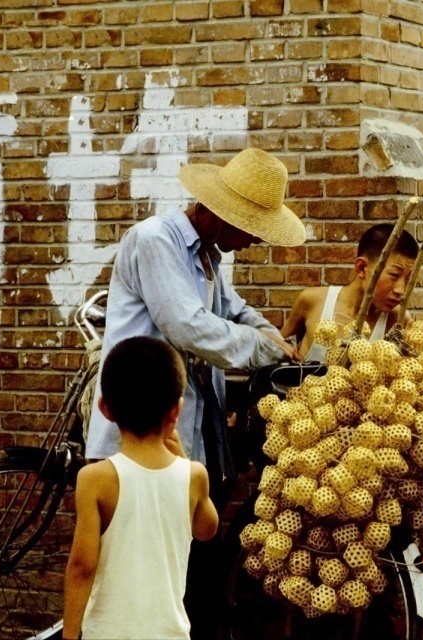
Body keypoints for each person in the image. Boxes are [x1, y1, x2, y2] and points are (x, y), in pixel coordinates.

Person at [83, 147, 304, 639]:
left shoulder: (207, 258)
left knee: (183, 578)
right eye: (248, 228)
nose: (249, 242)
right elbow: (189, 327)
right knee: (136, 580)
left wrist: (275, 338)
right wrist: (267, 351)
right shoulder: (154, 241)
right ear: (219, 213)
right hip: (137, 434)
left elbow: (235, 311)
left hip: (186, 439)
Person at [63, 337, 219, 640]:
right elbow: (207, 529)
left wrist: (69, 635)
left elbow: (81, 566)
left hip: (108, 633)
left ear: (105, 409)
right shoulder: (194, 475)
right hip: (169, 633)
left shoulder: (94, 478)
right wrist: (185, 460)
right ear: (176, 411)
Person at [281, 223, 419, 357]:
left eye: (408, 279)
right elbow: (274, 349)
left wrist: (416, 348)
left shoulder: (398, 320)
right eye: (394, 275)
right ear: (361, 268)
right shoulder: (313, 301)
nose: (401, 290)